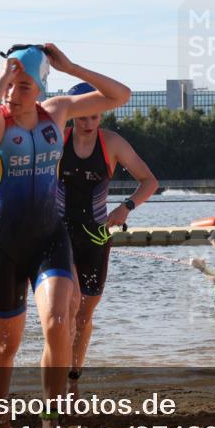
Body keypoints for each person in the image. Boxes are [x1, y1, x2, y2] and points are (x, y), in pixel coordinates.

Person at [0, 42, 130, 428]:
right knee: (7, 345)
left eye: (23, 86)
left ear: (39, 87)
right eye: (8, 85)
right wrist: (4, 76)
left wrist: (71, 66)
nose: (13, 94)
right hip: (5, 247)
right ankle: (1, 415)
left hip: (49, 241)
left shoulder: (57, 112)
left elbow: (119, 96)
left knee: (59, 323)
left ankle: (51, 420)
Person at [60, 82, 159, 393]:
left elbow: (149, 181)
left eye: (94, 117)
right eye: (82, 117)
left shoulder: (112, 144)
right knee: (68, 306)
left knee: (85, 314)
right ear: (72, 114)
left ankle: (74, 376)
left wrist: (126, 207)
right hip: (60, 235)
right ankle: (57, 377)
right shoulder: (57, 141)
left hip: (97, 237)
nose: (88, 123)